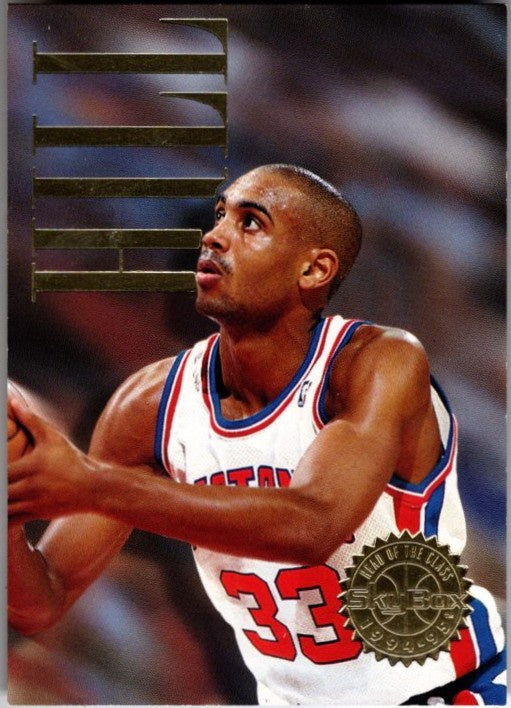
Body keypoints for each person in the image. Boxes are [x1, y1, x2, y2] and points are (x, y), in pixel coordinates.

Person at [8, 164, 506, 705]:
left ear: (314, 269)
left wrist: (89, 485)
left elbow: (314, 525)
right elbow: (41, 601)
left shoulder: (376, 363)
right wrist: (11, 515)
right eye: (220, 216)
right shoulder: (148, 406)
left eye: (251, 223)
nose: (214, 236)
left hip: (448, 691)